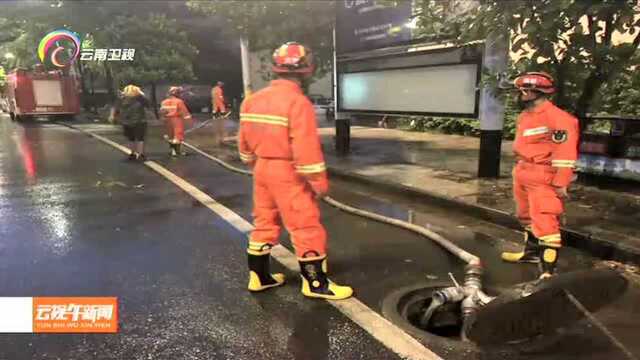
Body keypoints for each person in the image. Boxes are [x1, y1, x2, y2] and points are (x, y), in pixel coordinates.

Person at [237, 42, 353, 300]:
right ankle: (315, 284)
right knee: (305, 226)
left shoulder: (252, 101)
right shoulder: (298, 103)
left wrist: (252, 161)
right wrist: (319, 183)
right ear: (306, 69)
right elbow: (306, 150)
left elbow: (243, 142)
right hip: (287, 172)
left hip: (262, 168)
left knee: (264, 222)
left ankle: (259, 277)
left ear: (276, 68)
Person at [501, 72, 579, 279]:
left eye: (522, 91)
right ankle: (531, 254)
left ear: (533, 92)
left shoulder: (560, 119)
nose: (519, 95)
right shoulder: (525, 116)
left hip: (544, 175)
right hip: (523, 171)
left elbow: (565, 153)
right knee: (525, 216)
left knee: (545, 220)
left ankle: (547, 272)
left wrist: (561, 183)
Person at [109, 84, 149, 161]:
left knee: (131, 138)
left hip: (127, 122)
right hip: (140, 121)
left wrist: (113, 116)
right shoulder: (140, 98)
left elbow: (116, 108)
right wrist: (141, 94)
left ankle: (132, 154)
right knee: (140, 138)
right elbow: (148, 104)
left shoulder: (122, 99)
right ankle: (140, 154)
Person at [160, 86, 192, 157]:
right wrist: (188, 121)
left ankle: (172, 151)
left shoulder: (164, 102)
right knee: (177, 135)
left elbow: (162, 112)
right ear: (177, 94)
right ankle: (176, 152)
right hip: (177, 120)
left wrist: (163, 119)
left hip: (167, 120)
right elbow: (184, 112)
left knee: (170, 136)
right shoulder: (179, 101)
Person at [212, 81, 227, 146]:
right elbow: (220, 96)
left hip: (214, 100)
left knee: (215, 108)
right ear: (220, 85)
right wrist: (224, 100)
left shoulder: (213, 89)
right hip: (218, 100)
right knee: (222, 108)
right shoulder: (219, 89)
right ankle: (223, 115)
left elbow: (212, 94)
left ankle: (214, 116)